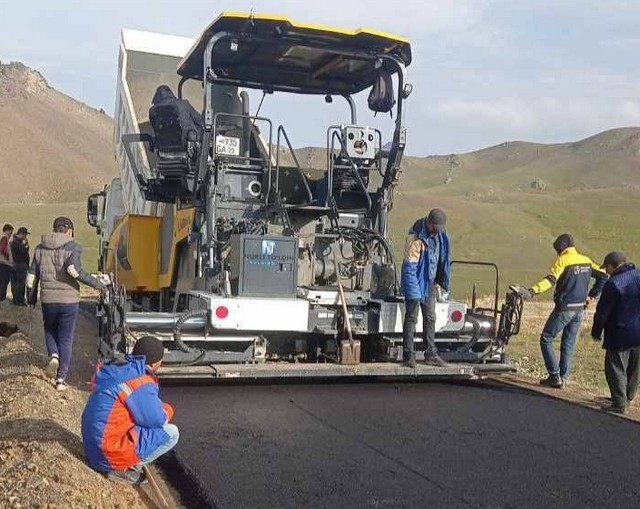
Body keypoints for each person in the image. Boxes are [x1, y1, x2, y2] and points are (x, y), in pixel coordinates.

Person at [81, 336, 179, 485]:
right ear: (154, 364)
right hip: (106, 454)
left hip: (91, 447)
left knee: (145, 415)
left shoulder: (120, 369)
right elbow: (157, 420)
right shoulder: (141, 382)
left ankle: (120, 462)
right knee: (172, 433)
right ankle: (126, 469)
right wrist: (168, 410)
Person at [27, 217, 106, 390]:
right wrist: (99, 285)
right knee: (66, 337)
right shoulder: (73, 247)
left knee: (49, 329)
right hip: (69, 301)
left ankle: (53, 356)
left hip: (48, 299)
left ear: (54, 229)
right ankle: (60, 379)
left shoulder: (40, 248)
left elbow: (31, 277)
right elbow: (74, 271)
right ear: (69, 230)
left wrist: (31, 298)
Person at [523, 233, 607, 388]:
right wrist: (593, 295)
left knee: (546, 337)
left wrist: (532, 291)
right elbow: (603, 275)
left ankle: (554, 375)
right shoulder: (586, 260)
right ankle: (564, 378)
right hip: (580, 309)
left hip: (565, 308)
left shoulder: (562, 260)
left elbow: (550, 280)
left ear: (560, 248)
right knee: (568, 343)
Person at [401, 208, 451, 368]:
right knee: (412, 318)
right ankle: (408, 355)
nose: (437, 232)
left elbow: (442, 256)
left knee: (430, 317)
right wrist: (414, 293)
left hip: (429, 282)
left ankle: (430, 354)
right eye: (434, 229)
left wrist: (440, 279)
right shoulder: (415, 237)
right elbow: (409, 268)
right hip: (415, 282)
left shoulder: (439, 235)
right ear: (429, 223)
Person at [591, 252, 640, 414]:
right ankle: (629, 397)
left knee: (615, 367)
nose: (606, 271)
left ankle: (619, 403)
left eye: (607, 268)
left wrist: (596, 331)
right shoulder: (638, 274)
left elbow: (602, 312)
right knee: (635, 367)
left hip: (620, 333)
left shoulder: (613, 284)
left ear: (613, 265)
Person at [10, 227, 30, 306]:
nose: (26, 237)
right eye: (25, 235)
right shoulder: (18, 243)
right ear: (22, 234)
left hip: (14, 264)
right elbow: (23, 253)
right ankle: (19, 301)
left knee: (14, 283)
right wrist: (26, 245)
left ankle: (16, 299)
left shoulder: (13, 241)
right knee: (20, 284)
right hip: (20, 265)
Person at [0, 224, 14, 305]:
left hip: (3, 263)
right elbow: (1, 249)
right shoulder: (4, 238)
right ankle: (2, 298)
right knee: (4, 281)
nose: (11, 234)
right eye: (10, 232)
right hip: (4, 264)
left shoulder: (3, 237)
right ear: (7, 230)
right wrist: (7, 258)